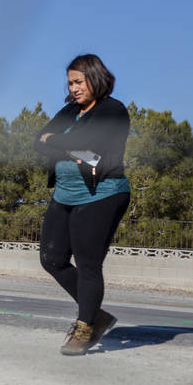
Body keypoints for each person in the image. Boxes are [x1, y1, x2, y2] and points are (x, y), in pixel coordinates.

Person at [34, 54, 131, 356]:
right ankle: (97, 315)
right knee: (51, 258)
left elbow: (87, 139)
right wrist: (68, 143)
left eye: (79, 82)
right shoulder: (70, 110)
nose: (74, 88)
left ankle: (85, 325)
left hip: (101, 193)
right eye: (70, 83)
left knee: (89, 264)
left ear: (95, 77)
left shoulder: (112, 110)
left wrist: (60, 140)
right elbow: (38, 139)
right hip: (64, 193)